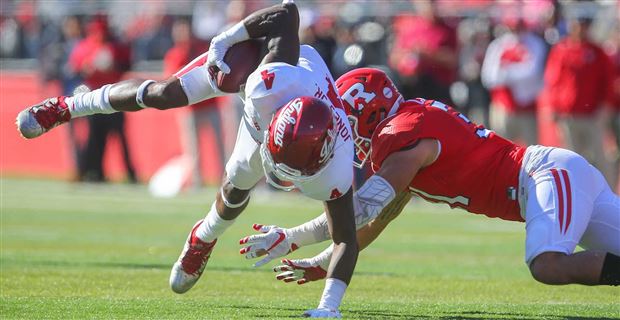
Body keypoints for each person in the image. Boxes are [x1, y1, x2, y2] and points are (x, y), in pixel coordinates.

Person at [16, 2, 358, 318]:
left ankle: (203, 237)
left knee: (235, 190)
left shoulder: (338, 167)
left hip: (278, 111)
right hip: (260, 69)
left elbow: (346, 238)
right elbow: (287, 13)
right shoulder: (270, 87)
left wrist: (329, 308)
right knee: (165, 94)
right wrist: (228, 38)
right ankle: (65, 107)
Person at [239, 68, 620, 288]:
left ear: (368, 113)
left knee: (547, 264)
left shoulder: (400, 138)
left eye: (348, 119)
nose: (344, 131)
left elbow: (360, 210)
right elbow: (377, 218)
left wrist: (292, 237)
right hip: (549, 178)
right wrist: (325, 260)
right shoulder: (404, 130)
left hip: (542, 177)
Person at [540, 16, 615, 184]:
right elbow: (552, 80)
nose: (581, 29)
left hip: (592, 115)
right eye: (578, 25)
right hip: (568, 115)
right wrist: (552, 106)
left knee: (599, 157)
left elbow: (607, 82)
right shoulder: (562, 49)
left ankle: (609, 196)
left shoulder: (597, 51)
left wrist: (604, 108)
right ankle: (575, 194)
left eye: (585, 26)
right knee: (572, 158)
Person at [481, 16, 547, 146]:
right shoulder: (498, 45)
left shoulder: (535, 43)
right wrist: (513, 73)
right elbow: (489, 77)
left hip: (527, 108)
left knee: (531, 151)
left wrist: (506, 72)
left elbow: (532, 72)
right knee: (502, 150)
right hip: (502, 107)